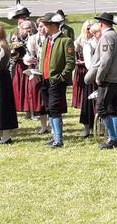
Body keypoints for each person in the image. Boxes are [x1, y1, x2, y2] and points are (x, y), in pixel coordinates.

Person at [39, 12, 76, 148]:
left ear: (53, 25)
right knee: (49, 109)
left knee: (55, 109)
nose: (43, 27)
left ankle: (59, 139)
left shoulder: (65, 41)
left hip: (56, 81)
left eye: (45, 24)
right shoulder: (46, 41)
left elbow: (70, 62)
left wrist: (61, 77)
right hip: (45, 79)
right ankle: (54, 136)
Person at [91, 13, 117, 149]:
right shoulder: (114, 34)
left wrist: (99, 77)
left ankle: (113, 138)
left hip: (109, 78)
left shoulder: (106, 36)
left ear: (101, 24)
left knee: (102, 107)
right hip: (116, 78)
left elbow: (105, 60)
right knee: (113, 108)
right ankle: (115, 137)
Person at [24, 19, 48, 134]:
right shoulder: (33, 39)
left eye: (44, 26)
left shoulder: (51, 38)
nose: (42, 29)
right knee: (40, 101)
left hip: (49, 71)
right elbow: (27, 55)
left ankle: (53, 125)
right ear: (37, 28)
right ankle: (43, 125)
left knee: (50, 100)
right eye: (40, 26)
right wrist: (29, 59)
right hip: (37, 71)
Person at [79, 23, 101, 137]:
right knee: (89, 103)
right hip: (92, 77)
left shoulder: (102, 43)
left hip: (102, 76)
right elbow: (89, 64)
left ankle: (100, 127)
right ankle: (87, 128)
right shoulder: (89, 45)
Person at [10, 20, 32, 116]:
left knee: (29, 87)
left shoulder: (33, 37)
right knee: (19, 86)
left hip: (30, 64)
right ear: (21, 29)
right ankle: (19, 106)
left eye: (30, 28)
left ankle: (29, 109)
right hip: (19, 64)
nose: (28, 30)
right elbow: (12, 53)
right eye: (26, 28)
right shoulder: (16, 38)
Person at [72, 20, 93, 111]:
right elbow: (74, 53)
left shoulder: (95, 38)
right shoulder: (80, 40)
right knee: (81, 85)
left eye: (91, 28)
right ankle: (80, 102)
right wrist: (76, 61)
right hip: (81, 67)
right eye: (88, 28)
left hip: (90, 66)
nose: (89, 30)